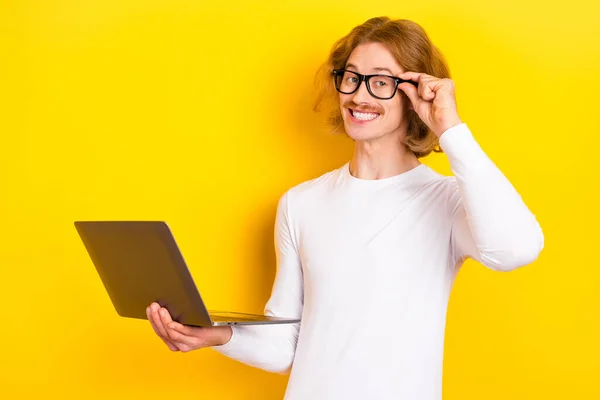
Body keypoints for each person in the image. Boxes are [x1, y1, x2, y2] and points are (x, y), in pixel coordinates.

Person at [146, 16, 544, 400]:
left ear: (416, 92)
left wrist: (450, 128)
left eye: (382, 82)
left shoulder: (446, 201)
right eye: (351, 77)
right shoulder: (300, 203)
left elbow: (516, 249)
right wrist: (213, 334)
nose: (359, 94)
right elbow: (286, 346)